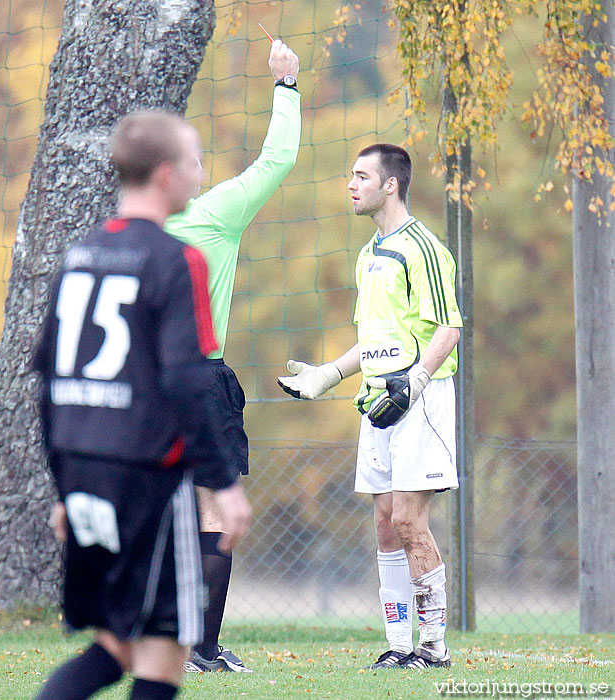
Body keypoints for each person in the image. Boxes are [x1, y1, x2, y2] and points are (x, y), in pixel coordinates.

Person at [33, 110, 252, 700]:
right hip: (147, 480)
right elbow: (187, 383)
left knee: (116, 642)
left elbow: (48, 381)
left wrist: (64, 487)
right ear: (164, 175)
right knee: (163, 644)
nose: (200, 176)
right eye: (193, 163)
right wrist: (224, 485)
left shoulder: (79, 254)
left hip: (84, 467)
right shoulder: (178, 260)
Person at [278, 143, 462, 669]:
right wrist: (328, 375)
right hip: (377, 399)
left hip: (418, 399)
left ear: (391, 185)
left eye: (361, 176)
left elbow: (449, 327)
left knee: (408, 519)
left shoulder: (422, 247)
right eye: (350, 175)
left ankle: (434, 649)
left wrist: (417, 379)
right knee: (385, 521)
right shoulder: (368, 255)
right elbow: (375, 338)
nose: (351, 185)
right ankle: (399, 646)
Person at [165, 38, 301, 673]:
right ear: (178, 173)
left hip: (142, 386)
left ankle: (163, 637)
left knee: (161, 510)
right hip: (200, 379)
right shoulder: (215, 212)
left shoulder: (128, 229)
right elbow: (278, 159)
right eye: (195, 159)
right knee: (217, 514)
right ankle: (202, 649)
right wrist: (286, 83)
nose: (203, 167)